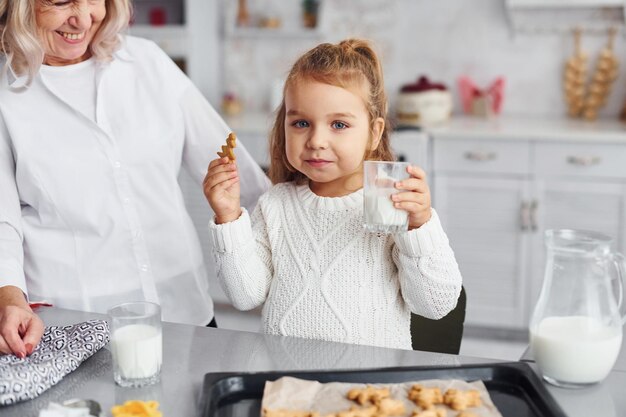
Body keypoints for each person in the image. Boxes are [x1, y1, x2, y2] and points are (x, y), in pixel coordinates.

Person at [0, 0, 270, 358]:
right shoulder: (7, 95)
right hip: (76, 327)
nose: (82, 19)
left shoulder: (148, 62)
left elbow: (239, 176)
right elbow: (4, 222)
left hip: (184, 313)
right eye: (61, 2)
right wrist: (9, 299)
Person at [203, 39, 462, 350]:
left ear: (374, 132)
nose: (316, 140)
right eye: (300, 123)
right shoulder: (276, 204)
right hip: (287, 382)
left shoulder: (388, 201)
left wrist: (419, 227)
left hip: (367, 386)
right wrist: (229, 218)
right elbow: (245, 295)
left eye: (339, 124)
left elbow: (435, 305)